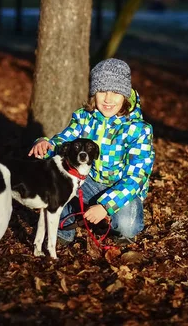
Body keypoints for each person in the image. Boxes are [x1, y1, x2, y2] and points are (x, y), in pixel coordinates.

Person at [28, 58, 155, 245]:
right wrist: (45, 144)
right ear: (94, 94)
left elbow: (137, 176)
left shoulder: (138, 129)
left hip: (122, 187)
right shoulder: (83, 117)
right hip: (87, 182)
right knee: (58, 174)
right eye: (102, 91)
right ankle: (63, 228)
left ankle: (118, 228)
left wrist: (105, 206)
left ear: (125, 96)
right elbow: (65, 141)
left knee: (127, 225)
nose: (108, 99)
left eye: (116, 93)